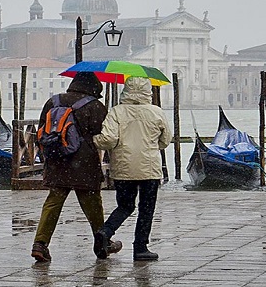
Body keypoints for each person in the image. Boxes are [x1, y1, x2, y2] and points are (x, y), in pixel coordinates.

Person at [31, 71, 122, 262]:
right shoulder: (95, 106)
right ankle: (102, 241)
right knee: (93, 204)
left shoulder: (53, 102)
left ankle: (40, 243)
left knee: (53, 202)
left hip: (56, 161)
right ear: (95, 87)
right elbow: (103, 135)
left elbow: (41, 130)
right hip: (84, 164)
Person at [92, 76, 172, 261]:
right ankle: (140, 248)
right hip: (149, 169)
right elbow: (165, 140)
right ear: (148, 91)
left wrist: (93, 140)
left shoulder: (116, 112)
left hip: (123, 168)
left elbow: (108, 140)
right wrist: (150, 146)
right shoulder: (156, 112)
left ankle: (105, 231)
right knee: (146, 208)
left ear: (125, 90)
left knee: (125, 206)